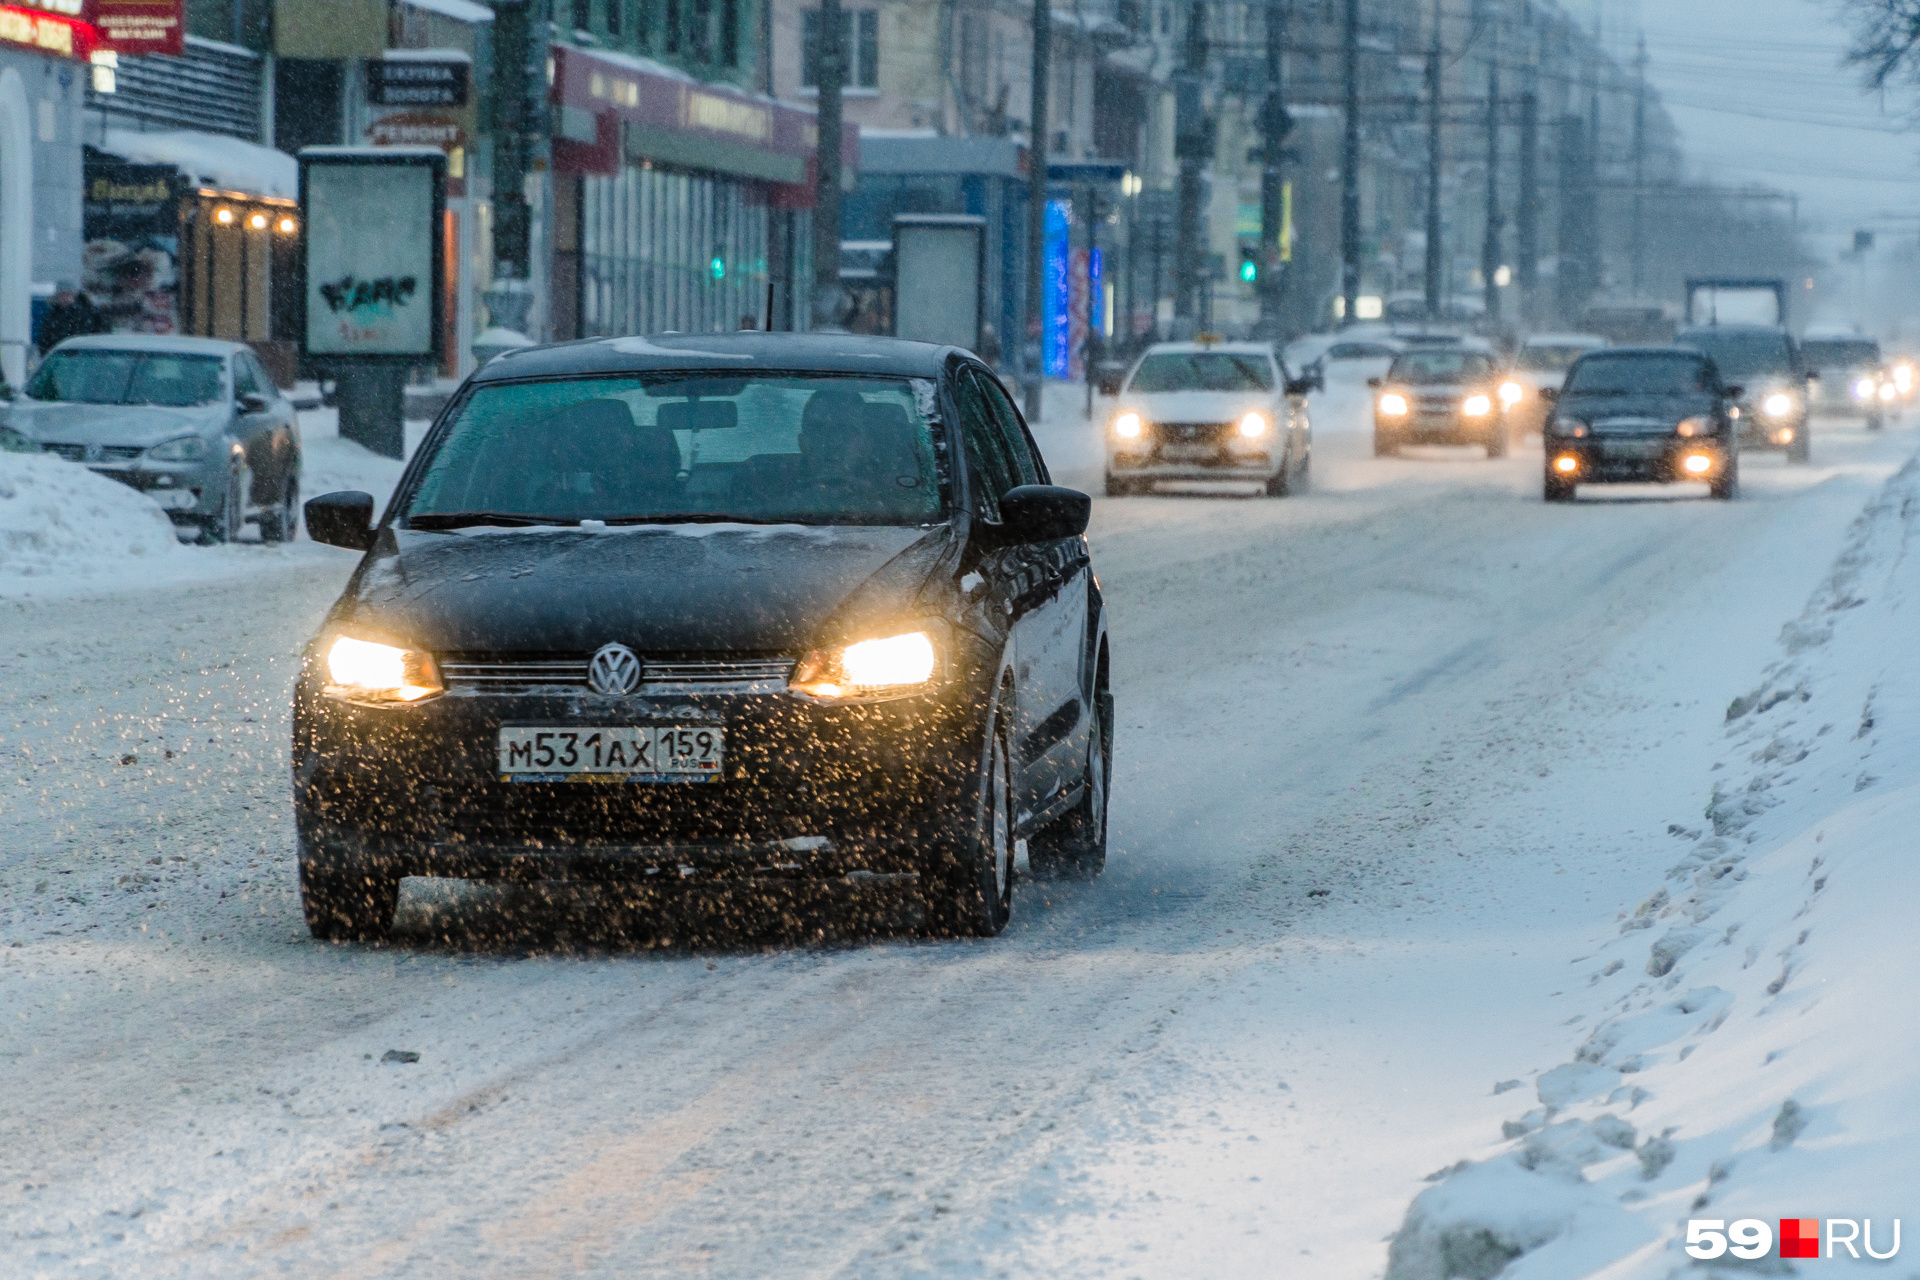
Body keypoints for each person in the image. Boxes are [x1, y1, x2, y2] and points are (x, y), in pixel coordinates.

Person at [39, 281, 110, 355]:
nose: (64, 298)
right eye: (62, 294)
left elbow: (100, 334)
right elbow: (45, 341)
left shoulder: (89, 314)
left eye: (68, 294)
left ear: (74, 295)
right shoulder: (52, 316)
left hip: (84, 357)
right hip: (60, 358)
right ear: (57, 296)